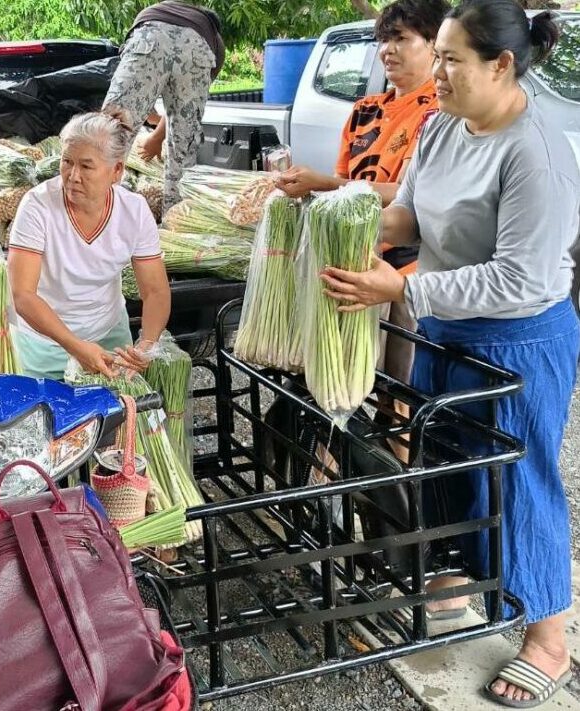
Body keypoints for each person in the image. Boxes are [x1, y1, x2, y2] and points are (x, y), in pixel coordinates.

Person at [318, 2, 578, 706]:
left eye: (452, 59)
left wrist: (402, 286)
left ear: (501, 65)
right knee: (443, 460)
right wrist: (351, 228)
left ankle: (548, 636)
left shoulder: (536, 153)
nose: (436, 71)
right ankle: (461, 576)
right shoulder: (440, 125)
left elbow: (520, 277)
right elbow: (410, 213)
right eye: (436, 55)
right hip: (444, 326)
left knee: (517, 481)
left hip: (516, 339)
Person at [277, 0, 451, 446]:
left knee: (398, 392)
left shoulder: (439, 112)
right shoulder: (364, 111)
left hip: (407, 268)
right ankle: (343, 464)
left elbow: (408, 195)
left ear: (435, 44)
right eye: (384, 40)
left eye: (401, 39)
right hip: (354, 261)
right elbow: (346, 187)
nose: (388, 50)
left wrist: (324, 183)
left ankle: (400, 467)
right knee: (339, 379)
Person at [9, 110, 172, 380]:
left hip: (109, 335)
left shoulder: (134, 211)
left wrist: (146, 345)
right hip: (45, 342)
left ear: (116, 170)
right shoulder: (37, 206)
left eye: (86, 166)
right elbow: (23, 295)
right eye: (66, 162)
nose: (73, 176)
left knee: (118, 406)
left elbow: (155, 291)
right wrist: (76, 347)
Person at [102, 1, 225, 213]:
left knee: (110, 132)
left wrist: (154, 134)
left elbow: (136, 96)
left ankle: (98, 214)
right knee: (183, 149)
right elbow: (182, 111)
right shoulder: (214, 41)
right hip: (196, 49)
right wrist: (157, 137)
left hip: (149, 35)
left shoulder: (161, 9)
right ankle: (175, 221)